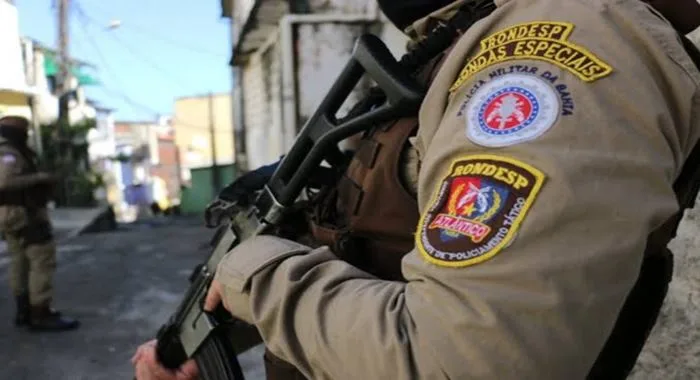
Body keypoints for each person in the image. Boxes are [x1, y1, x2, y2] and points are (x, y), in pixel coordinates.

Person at [132, 0, 700, 378]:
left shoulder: (555, 41)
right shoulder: (459, 40)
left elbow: (469, 360)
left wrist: (248, 273)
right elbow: (369, 249)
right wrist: (209, 341)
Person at [0, 115, 80, 331]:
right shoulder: (9, 153)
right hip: (23, 215)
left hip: (11, 216)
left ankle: (24, 311)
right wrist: (40, 178)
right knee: (42, 258)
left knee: (20, 261)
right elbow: (5, 182)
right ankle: (40, 312)